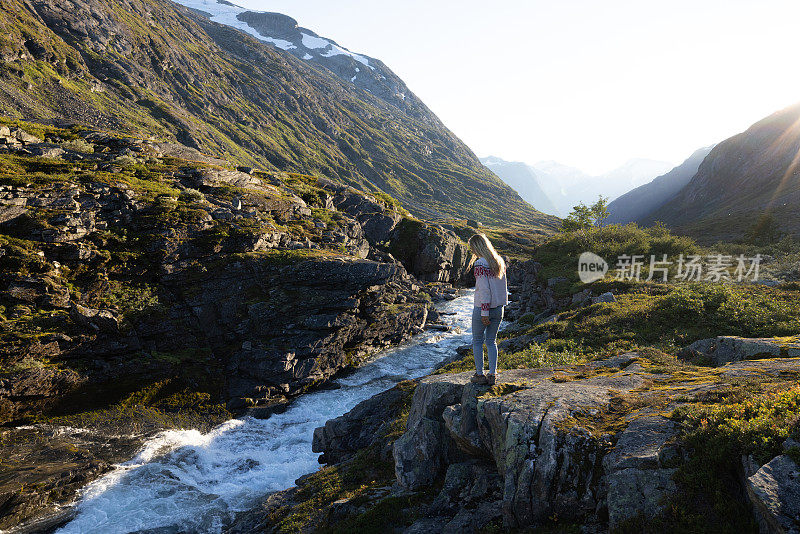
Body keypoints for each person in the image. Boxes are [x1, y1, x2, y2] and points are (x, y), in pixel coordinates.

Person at [468, 233, 508, 386]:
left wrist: (484, 312)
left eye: (472, 248)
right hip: (499, 308)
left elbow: (484, 290)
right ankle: (493, 374)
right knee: (492, 341)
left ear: (477, 247)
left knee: (477, 341)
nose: (472, 251)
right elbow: (503, 287)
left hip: (483, 308)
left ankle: (479, 375)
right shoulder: (499, 261)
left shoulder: (480, 264)